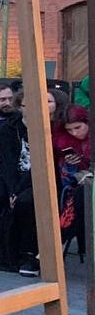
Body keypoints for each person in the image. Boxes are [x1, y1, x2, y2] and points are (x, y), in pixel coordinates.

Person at [0, 83, 40, 276]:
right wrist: (12, 190)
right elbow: (7, 163)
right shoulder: (9, 128)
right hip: (12, 174)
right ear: (20, 107)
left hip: (36, 177)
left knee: (25, 201)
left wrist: (18, 192)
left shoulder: (46, 128)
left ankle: (27, 254)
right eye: (26, 105)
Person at [54, 104, 90, 253]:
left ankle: (60, 239)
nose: (74, 133)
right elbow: (67, 183)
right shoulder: (65, 143)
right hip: (79, 189)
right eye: (69, 130)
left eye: (78, 127)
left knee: (79, 196)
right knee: (78, 194)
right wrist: (69, 166)